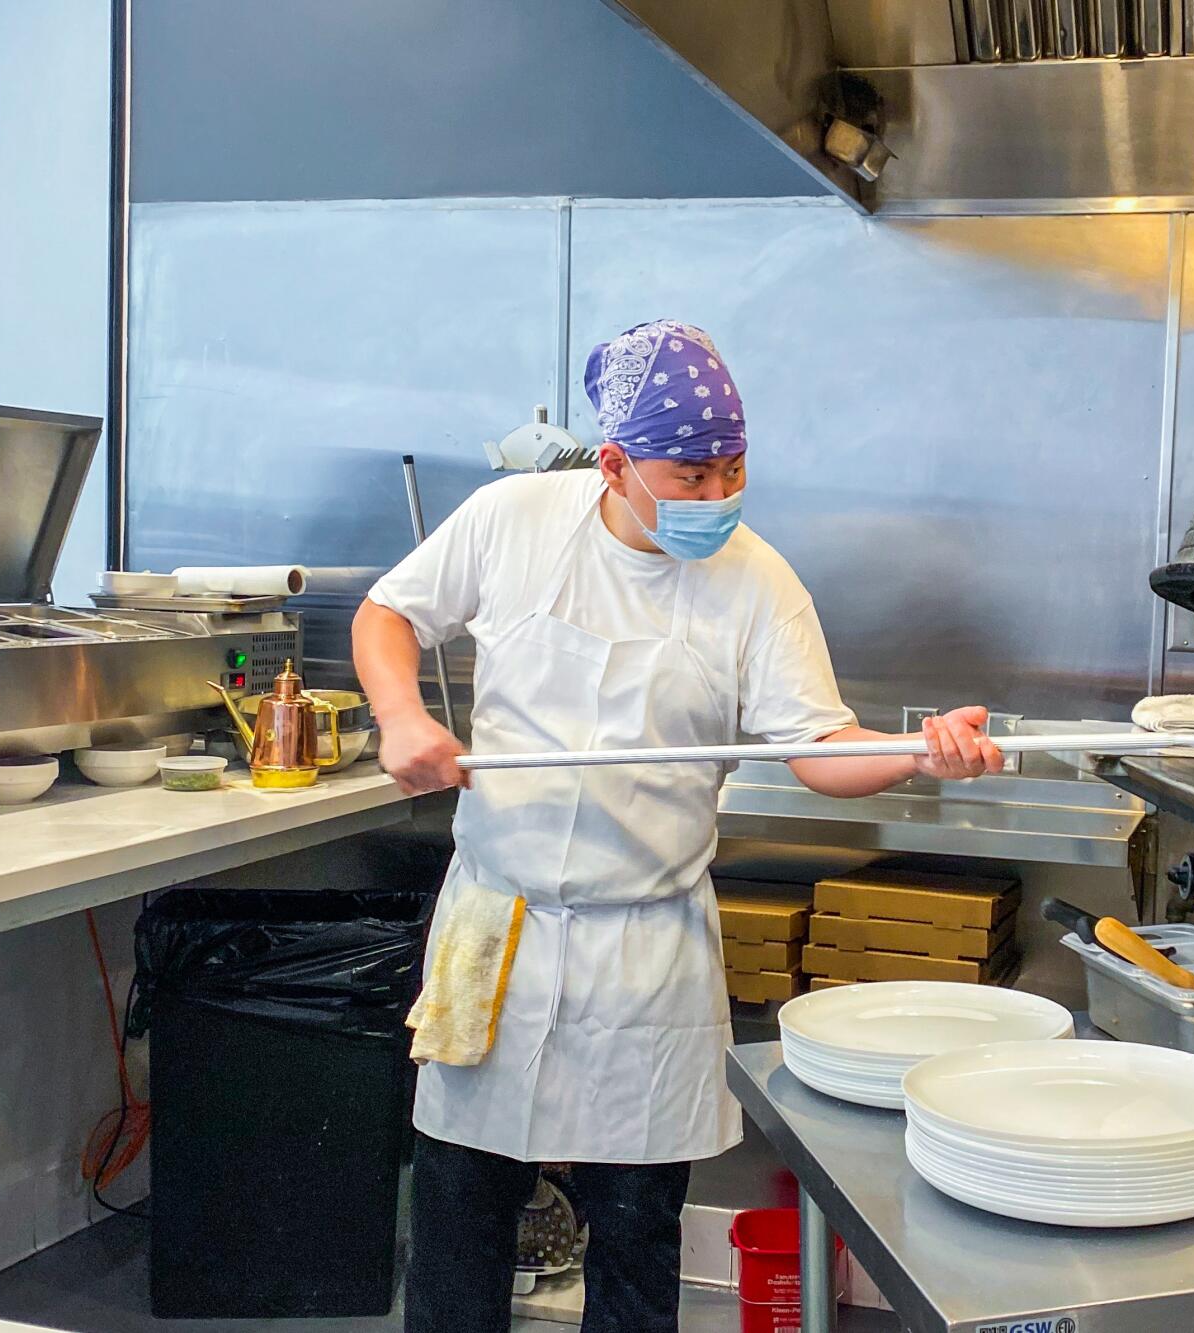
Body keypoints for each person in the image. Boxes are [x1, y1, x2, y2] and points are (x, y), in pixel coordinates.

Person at [353, 319, 1003, 1333]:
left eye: (731, 469)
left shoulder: (756, 580)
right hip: (497, 931)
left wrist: (920, 752)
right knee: (456, 1223)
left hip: (645, 952)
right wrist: (402, 716)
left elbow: (821, 744)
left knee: (636, 1240)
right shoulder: (513, 520)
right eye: (689, 474)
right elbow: (385, 615)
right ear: (613, 463)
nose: (715, 496)